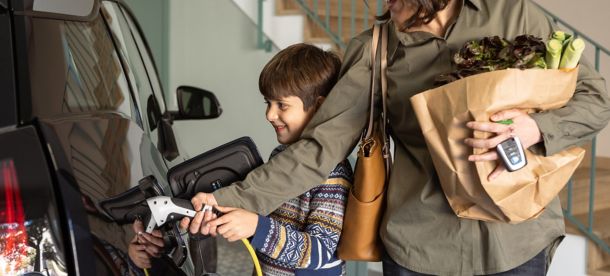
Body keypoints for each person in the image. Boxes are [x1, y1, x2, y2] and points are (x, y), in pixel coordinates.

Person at [183, 0, 610, 275]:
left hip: (518, 239)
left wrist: (534, 128)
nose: (386, 6)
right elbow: (319, 148)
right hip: (419, 249)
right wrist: (235, 199)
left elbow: (594, 99)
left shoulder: (516, 15)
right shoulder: (375, 48)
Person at [185, 43, 352, 275]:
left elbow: (322, 252)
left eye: (281, 105)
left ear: (319, 107)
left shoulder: (333, 173)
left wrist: (257, 226)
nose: (270, 115)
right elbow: (268, 225)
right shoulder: (280, 156)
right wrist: (231, 221)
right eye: (268, 103)